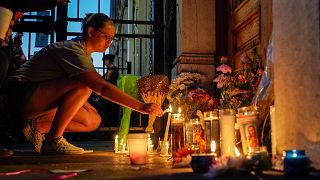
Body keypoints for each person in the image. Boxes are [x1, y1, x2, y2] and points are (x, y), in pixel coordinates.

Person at [6, 13, 163, 155]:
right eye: (106, 36)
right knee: (85, 86)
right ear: (91, 32)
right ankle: (53, 140)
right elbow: (101, 87)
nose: (109, 42)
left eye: (112, 39)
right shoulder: (73, 49)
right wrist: (141, 106)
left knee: (92, 120)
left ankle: (38, 128)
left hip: (41, 100)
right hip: (20, 94)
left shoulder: (84, 55)